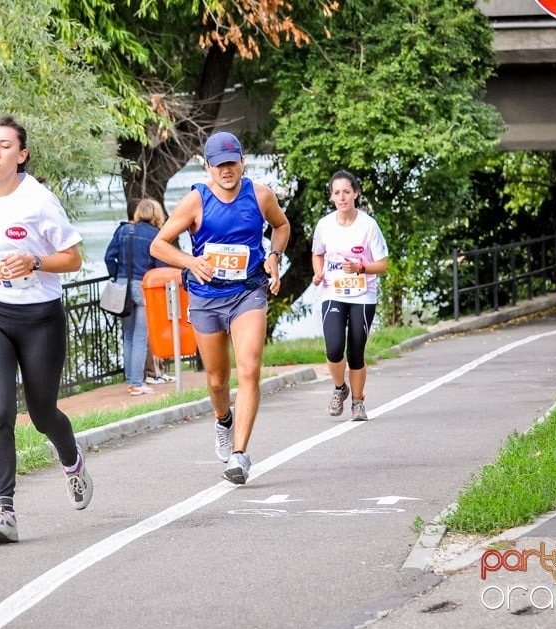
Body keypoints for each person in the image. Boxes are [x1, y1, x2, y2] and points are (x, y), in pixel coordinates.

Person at [0, 114, 93, 544]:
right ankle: (4, 512)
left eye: (4, 145)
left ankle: (72, 461)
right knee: (0, 410)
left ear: (22, 154)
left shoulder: (40, 201)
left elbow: (73, 258)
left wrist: (35, 261)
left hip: (39, 318)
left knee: (43, 411)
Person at [150, 131, 290, 485]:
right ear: (208, 166)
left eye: (232, 162)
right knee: (216, 380)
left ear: (242, 161)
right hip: (206, 298)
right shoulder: (195, 201)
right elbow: (159, 245)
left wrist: (274, 256)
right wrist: (189, 262)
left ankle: (240, 456)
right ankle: (223, 418)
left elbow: (281, 226)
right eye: (219, 164)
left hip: (248, 291)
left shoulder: (260, 195)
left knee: (250, 368)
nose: (226, 170)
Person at [311, 170, 389, 422]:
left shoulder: (368, 226)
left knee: (356, 352)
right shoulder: (324, 225)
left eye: (346, 191)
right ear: (332, 197)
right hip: (333, 292)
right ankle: (339, 388)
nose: (342, 197)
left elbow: (383, 264)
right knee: (334, 349)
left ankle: (357, 402)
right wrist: (318, 273)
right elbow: (317, 253)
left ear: (356, 193)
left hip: (362, 295)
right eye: (337, 193)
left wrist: (361, 268)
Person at [104, 197, 166, 396]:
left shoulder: (123, 230)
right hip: (144, 287)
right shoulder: (155, 235)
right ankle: (137, 383)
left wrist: (117, 275)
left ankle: (131, 380)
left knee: (128, 336)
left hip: (122, 287)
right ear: (156, 214)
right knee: (140, 337)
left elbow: (108, 257)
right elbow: (160, 266)